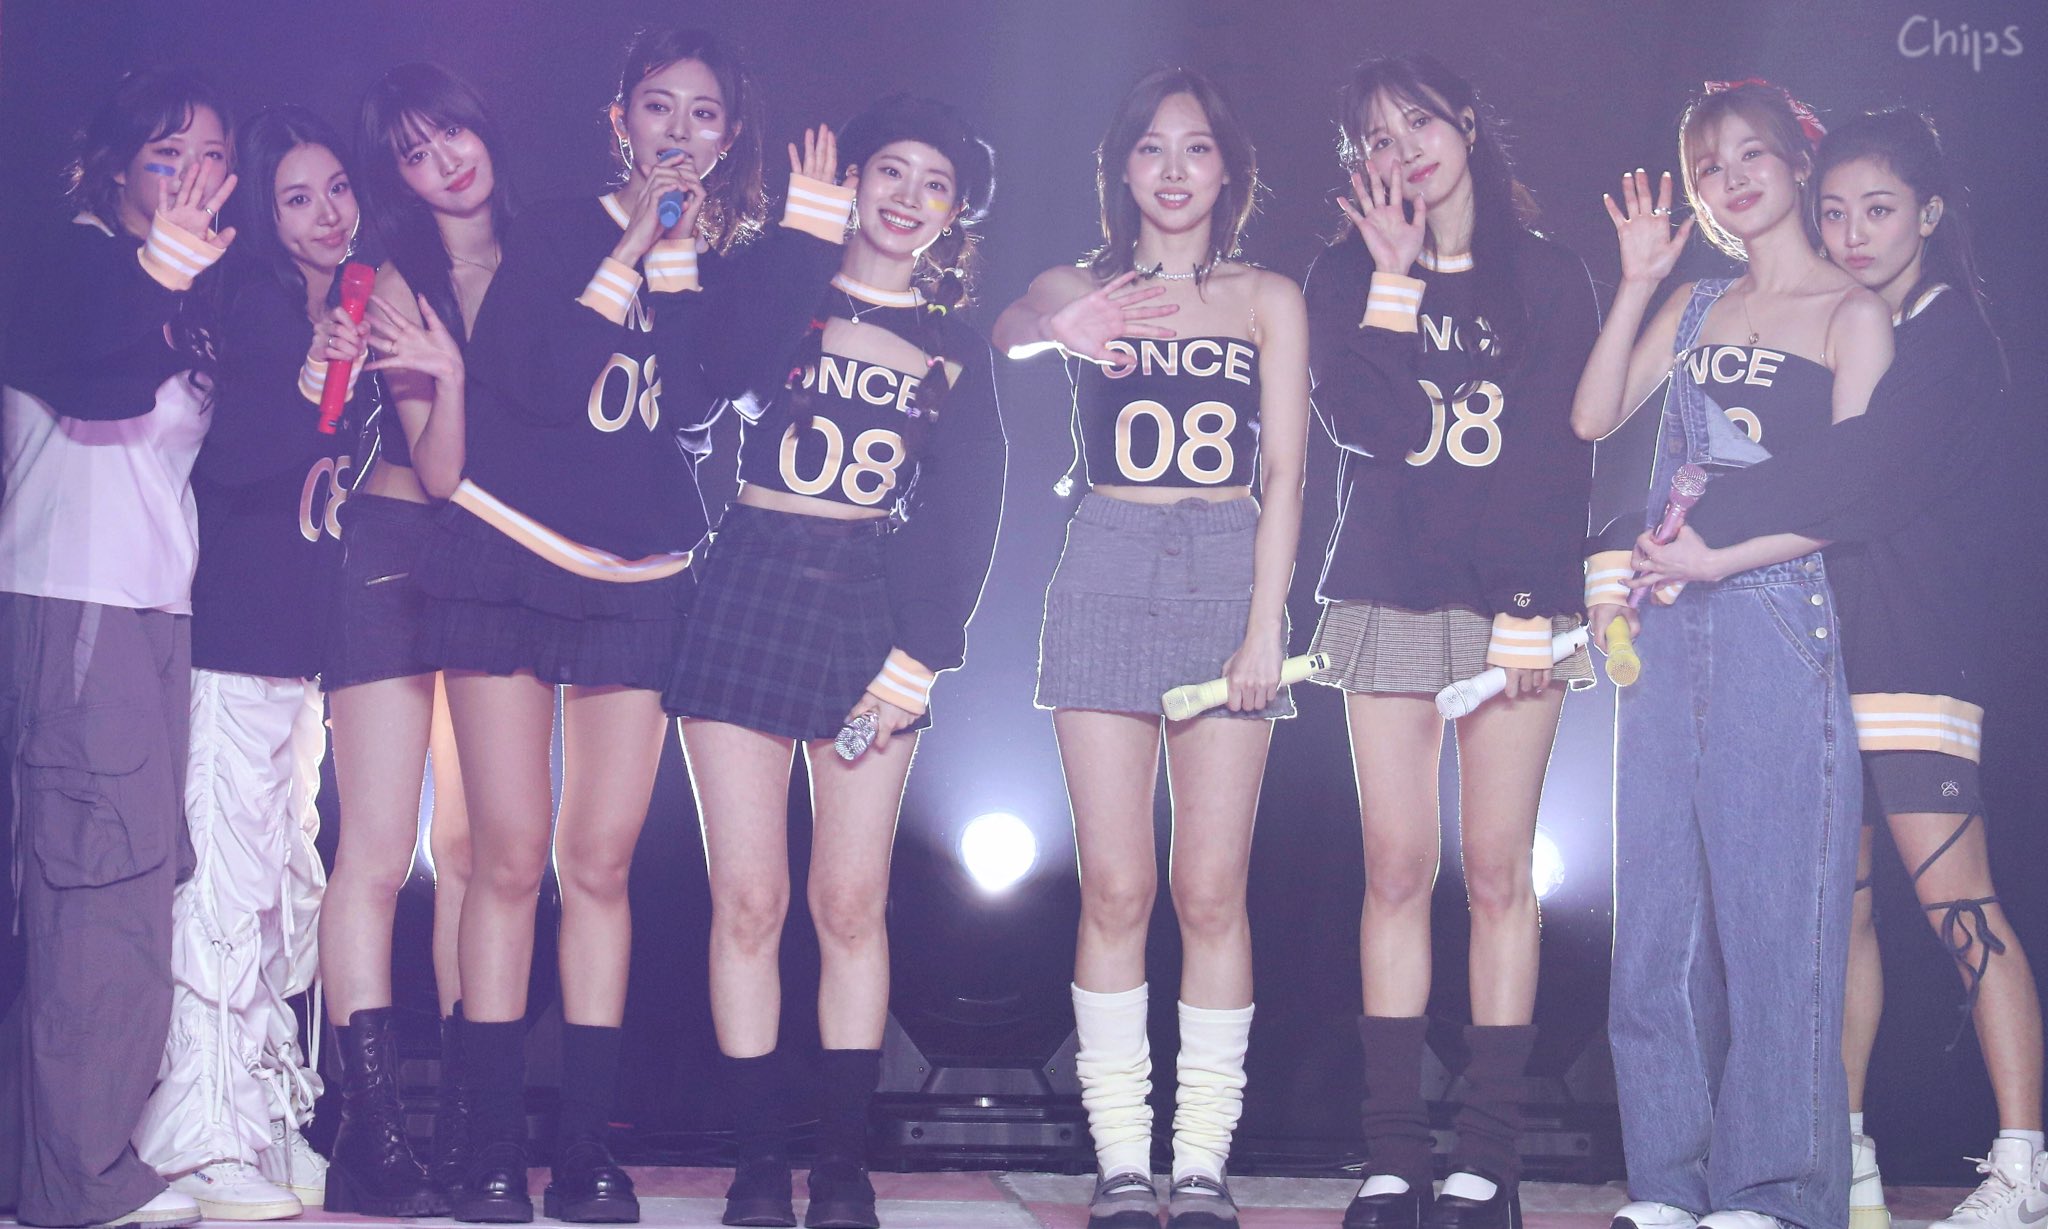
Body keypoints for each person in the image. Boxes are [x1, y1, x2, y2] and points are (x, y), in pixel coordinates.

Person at [1672, 108, 2043, 1229]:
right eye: (1833, 211)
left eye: (1877, 209)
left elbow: (1860, 472)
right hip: (1828, 655)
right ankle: (1847, 1158)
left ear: (1928, 212)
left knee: (1958, 901)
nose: (1852, 233)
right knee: (1842, 920)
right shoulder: (1849, 320)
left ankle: (2023, 1168)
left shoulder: (1949, 335)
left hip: (1914, 656)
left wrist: (1711, 523)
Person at [418, 26, 765, 1224]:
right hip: (508, 554)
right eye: (659, 107)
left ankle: (583, 1153)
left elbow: (703, 403)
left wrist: (679, 262)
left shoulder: (712, 265)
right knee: (507, 855)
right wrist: (630, 243)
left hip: (640, 571)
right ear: (621, 119)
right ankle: (485, 1150)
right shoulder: (561, 228)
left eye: (703, 113)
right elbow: (541, 379)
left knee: (600, 863)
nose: (680, 130)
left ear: (727, 136)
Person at [668, 94, 1005, 1229]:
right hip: (747, 586)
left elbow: (971, 507)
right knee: (748, 898)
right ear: (851, 183)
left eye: (935, 184)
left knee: (850, 901)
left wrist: (923, 654)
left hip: (870, 609)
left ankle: (844, 1169)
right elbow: (722, 375)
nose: (909, 198)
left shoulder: (954, 347)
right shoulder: (788, 285)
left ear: (953, 215)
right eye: (889, 172)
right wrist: (800, 238)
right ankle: (759, 1166)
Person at [1573, 80, 1893, 1229]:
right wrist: (1635, 281)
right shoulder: (1696, 302)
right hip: (1666, 621)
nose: (1730, 179)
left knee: (1775, 921)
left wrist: (1718, 557)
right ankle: (1668, 1181)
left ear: (1796, 163)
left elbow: (1852, 496)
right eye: (1707, 167)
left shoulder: (1851, 312)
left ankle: (1769, 1189)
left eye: (1749, 155)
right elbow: (1591, 414)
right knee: (1657, 918)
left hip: (1772, 609)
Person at [992, 66, 1307, 1229]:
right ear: (1121, 168)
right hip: (1107, 557)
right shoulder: (1085, 283)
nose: (1173, 170)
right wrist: (1055, 326)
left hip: (1225, 561)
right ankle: (1122, 1160)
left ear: (1227, 170)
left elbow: (1286, 472)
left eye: (1195, 149)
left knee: (1209, 887)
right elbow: (1011, 326)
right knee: (1116, 884)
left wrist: (1265, 622)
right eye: (1151, 149)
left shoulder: (1266, 294)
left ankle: (1201, 1160)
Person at [1301, 52, 1598, 1229]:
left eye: (1415, 123)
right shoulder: (1340, 272)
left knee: (1496, 872)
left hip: (1513, 597)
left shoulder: (1548, 273)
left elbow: (1557, 454)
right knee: (1393, 868)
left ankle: (1487, 1161)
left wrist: (1526, 602)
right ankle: (1391, 1158)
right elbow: (1368, 427)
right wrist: (1388, 278)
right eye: (1373, 139)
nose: (1399, 151)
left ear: (1465, 123)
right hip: (1389, 585)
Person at [0, 67, 234, 1229]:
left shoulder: (175, 286)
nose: (192, 177)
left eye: (211, 157)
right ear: (109, 166)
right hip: (74, 596)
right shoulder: (73, 260)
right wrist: (165, 267)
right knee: (97, 888)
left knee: (128, 877)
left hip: (150, 609)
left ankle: (47, 1166)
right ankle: (79, 1180)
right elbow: (95, 378)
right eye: (165, 154)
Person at [129, 103, 360, 1223]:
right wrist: (311, 376)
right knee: (221, 886)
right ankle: (197, 1139)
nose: (326, 214)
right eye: (297, 197)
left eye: (337, 189)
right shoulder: (256, 306)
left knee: (279, 890)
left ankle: (264, 1119)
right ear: (265, 216)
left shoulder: (348, 307)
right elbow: (233, 458)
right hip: (231, 635)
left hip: (300, 647)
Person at [317, 60, 510, 1215]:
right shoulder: (394, 279)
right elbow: (434, 459)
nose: (445, 162)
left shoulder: (544, 255)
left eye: (452, 134)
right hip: (395, 550)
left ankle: (467, 1131)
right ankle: (372, 1133)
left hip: (500, 561)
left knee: (482, 854)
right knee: (380, 851)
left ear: (483, 130)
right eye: (414, 151)